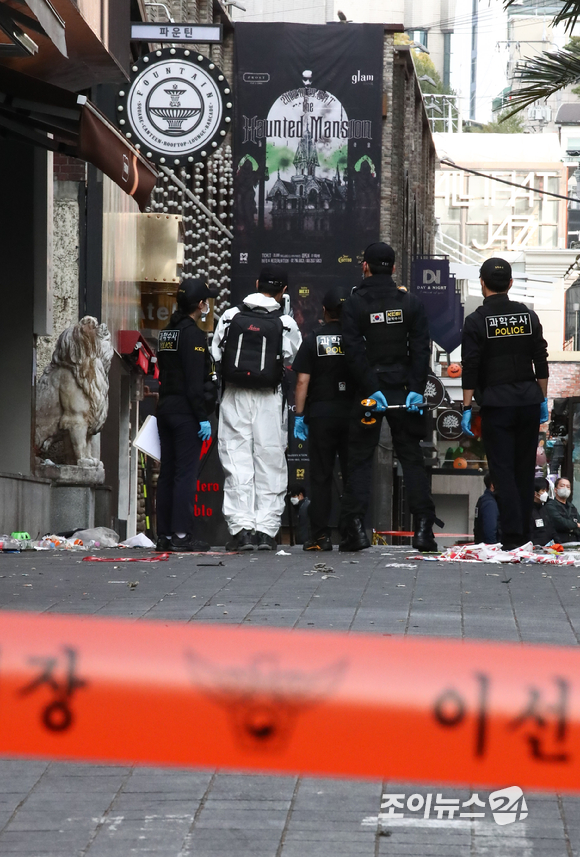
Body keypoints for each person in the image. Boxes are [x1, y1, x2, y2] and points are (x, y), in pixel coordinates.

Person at [338, 242, 439, 553]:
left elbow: (353, 351)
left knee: (359, 458)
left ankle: (355, 530)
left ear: (365, 266)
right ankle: (423, 530)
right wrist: (414, 390)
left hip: (370, 392)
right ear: (394, 268)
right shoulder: (410, 302)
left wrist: (371, 388)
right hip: (404, 389)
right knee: (411, 457)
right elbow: (422, 349)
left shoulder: (354, 304)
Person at [461, 257, 549, 550]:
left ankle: (513, 537)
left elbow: (470, 366)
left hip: (497, 404)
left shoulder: (475, 321)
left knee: (502, 470)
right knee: (525, 470)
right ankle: (524, 534)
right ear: (510, 284)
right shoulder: (528, 316)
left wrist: (466, 406)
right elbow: (540, 359)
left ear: (482, 283)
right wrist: (542, 398)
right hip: (528, 401)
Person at [211, 267, 301, 551]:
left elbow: (216, 353)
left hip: (234, 396)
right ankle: (266, 531)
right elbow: (292, 356)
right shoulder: (285, 322)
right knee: (270, 462)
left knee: (236, 461)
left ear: (256, 283)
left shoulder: (230, 316)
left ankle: (241, 531)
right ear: (283, 291)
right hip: (269, 399)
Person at [155, 278, 217, 552]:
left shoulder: (167, 332)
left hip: (165, 408)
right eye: (206, 302)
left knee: (167, 473)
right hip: (184, 412)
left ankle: (165, 536)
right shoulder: (193, 334)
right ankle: (181, 536)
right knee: (185, 475)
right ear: (200, 304)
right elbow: (194, 381)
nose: (208, 306)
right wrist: (202, 416)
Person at [292, 286, 354, 551]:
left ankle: (320, 537)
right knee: (353, 476)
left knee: (320, 477)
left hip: (320, 416)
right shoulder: (355, 339)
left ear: (325, 311)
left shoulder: (313, 340)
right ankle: (353, 533)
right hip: (351, 415)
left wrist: (299, 415)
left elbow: (302, 381)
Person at [543, 477, 580, 543]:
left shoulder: (572, 507)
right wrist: (575, 525)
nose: (565, 488)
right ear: (555, 490)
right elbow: (560, 522)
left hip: (574, 542)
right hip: (559, 543)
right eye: (562, 486)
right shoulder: (550, 505)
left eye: (568, 487)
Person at [473, 473, 500, 544]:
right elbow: (490, 529)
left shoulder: (483, 500)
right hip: (490, 549)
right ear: (492, 485)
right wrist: (493, 547)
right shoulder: (489, 503)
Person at [531, 476, 556, 546]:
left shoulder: (545, 509)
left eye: (546, 491)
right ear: (535, 493)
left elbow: (552, 529)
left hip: (548, 548)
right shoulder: (529, 511)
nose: (545, 493)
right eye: (542, 490)